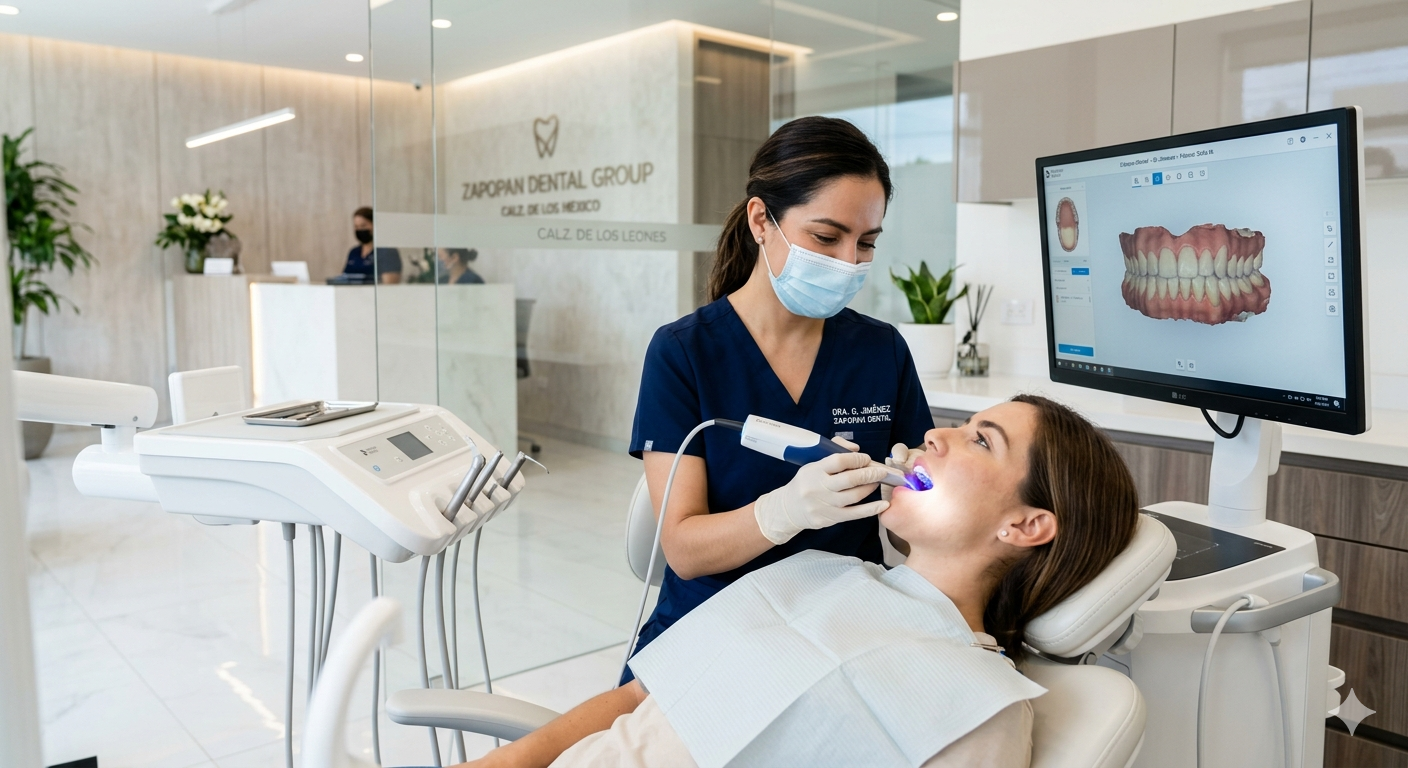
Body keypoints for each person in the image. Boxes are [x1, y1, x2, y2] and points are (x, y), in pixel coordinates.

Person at [458, 395, 1142, 768]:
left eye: (981, 440)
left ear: (1026, 526)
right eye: (963, 424)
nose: (936, 435)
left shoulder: (984, 713)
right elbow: (639, 698)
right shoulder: (818, 572)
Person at [620, 116, 933, 677]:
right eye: (825, 236)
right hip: (709, 631)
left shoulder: (880, 351)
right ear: (761, 219)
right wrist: (783, 512)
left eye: (866, 243)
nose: (848, 261)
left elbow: (922, 515)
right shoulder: (684, 353)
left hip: (840, 632)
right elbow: (685, 550)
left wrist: (914, 491)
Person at [343, 206, 402, 283]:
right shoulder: (354, 252)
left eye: (363, 226)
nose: (359, 229)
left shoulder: (387, 251)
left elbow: (390, 284)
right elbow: (344, 279)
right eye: (356, 226)